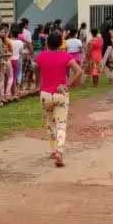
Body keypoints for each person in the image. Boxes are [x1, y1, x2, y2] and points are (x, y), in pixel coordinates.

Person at [35, 30, 83, 167]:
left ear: (47, 42)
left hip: (45, 94)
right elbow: (79, 71)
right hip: (60, 93)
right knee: (61, 124)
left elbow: (35, 68)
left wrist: (38, 83)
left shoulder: (41, 56)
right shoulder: (66, 56)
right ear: (60, 43)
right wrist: (67, 85)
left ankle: (53, 150)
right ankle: (59, 152)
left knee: (50, 123)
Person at [0, 24, 13, 105]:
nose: (3, 33)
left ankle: (3, 95)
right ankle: (3, 96)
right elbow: (0, 54)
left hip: (3, 61)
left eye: (4, 32)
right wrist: (7, 54)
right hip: (2, 61)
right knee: (2, 79)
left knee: (2, 79)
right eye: (1, 32)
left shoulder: (5, 40)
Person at [9, 25, 24, 97]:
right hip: (17, 60)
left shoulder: (9, 41)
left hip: (9, 60)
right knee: (15, 76)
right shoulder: (20, 42)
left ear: (11, 34)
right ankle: (14, 92)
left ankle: (10, 92)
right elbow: (21, 52)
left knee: (9, 77)